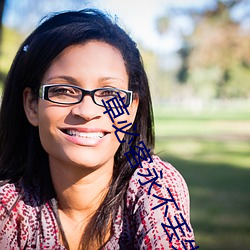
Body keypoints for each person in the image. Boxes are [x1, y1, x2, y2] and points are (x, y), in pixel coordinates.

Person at [0, 9, 197, 250]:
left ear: (132, 109)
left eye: (109, 94)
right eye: (64, 90)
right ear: (32, 106)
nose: (87, 110)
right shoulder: (8, 207)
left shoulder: (156, 186)